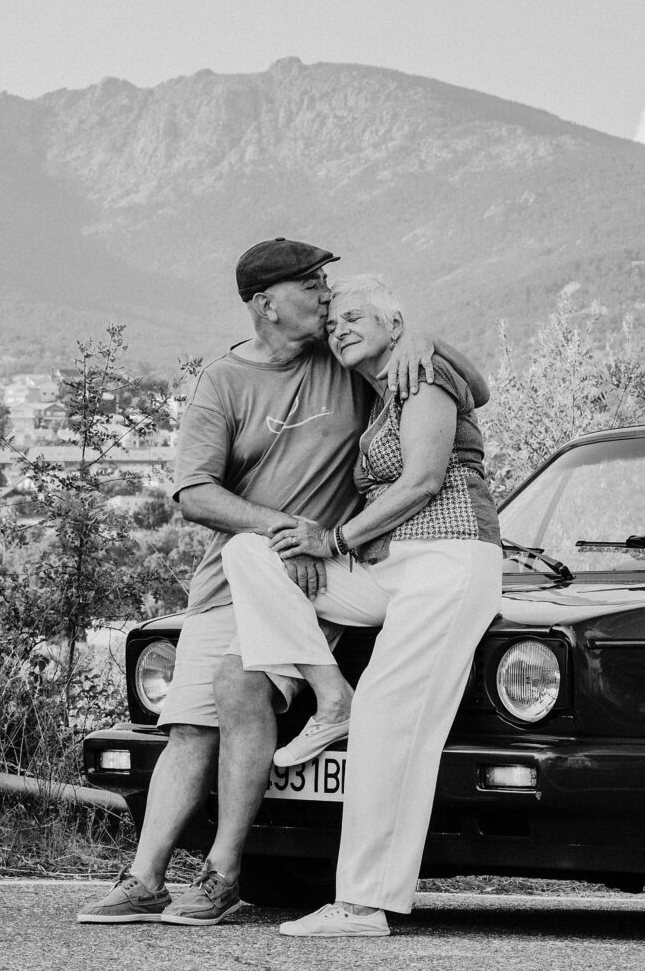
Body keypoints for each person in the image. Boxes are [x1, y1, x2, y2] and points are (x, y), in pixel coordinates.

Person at [77, 241, 488, 927]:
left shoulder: (344, 360)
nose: (327, 298)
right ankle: (144, 878)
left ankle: (222, 873)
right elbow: (192, 490)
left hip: (333, 569)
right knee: (187, 723)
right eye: (312, 286)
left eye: (331, 287)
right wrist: (283, 528)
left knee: (240, 686)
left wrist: (417, 330)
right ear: (267, 304)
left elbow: (451, 389)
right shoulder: (223, 381)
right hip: (248, 573)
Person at [219, 274, 502, 937]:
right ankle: (328, 693)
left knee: (391, 719)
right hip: (391, 570)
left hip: (449, 561)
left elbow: (422, 481)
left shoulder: (423, 376)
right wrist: (318, 552)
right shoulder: (377, 392)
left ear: (393, 325)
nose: (340, 327)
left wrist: (334, 540)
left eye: (355, 317)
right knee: (253, 553)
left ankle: (362, 904)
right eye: (334, 320)